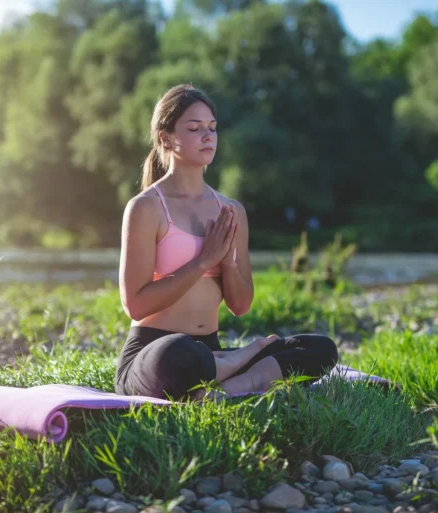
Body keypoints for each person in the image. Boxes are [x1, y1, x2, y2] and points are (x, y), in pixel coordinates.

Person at [114, 84, 339, 401]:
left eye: (212, 128)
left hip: (208, 352)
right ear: (166, 138)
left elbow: (240, 305)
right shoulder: (146, 207)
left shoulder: (231, 211)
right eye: (194, 128)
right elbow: (134, 305)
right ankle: (238, 366)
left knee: (319, 349)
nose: (207, 136)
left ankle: (221, 389)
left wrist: (227, 263)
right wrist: (203, 262)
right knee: (179, 354)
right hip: (154, 353)